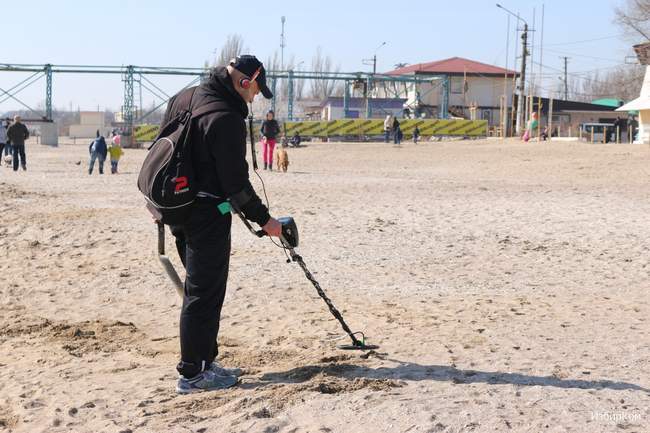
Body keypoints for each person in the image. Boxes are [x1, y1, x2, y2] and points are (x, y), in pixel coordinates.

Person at [162, 55, 282, 394]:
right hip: (206, 213)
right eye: (257, 88)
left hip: (176, 208)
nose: (257, 96)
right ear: (245, 81)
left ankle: (205, 361)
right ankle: (192, 374)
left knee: (200, 290)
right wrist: (266, 221)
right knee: (203, 294)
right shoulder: (225, 117)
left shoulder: (185, 98)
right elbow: (236, 187)